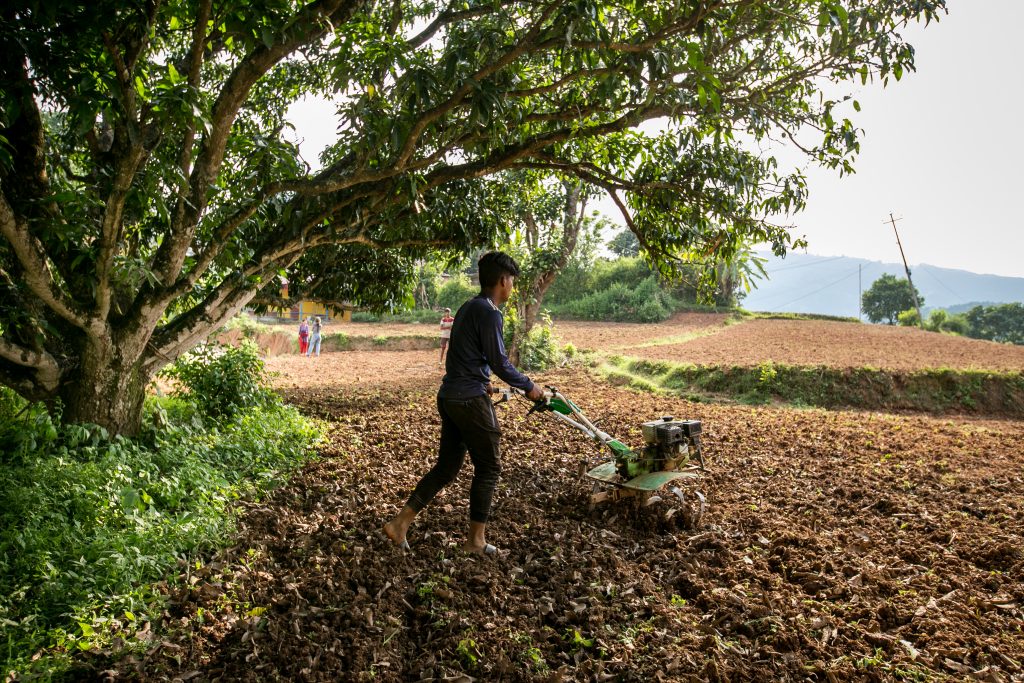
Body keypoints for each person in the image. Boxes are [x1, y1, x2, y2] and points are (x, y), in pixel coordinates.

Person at [384, 251, 544, 555]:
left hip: (451, 397)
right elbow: (500, 361)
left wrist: (483, 381)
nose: (512, 287)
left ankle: (399, 524)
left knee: (446, 467)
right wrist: (529, 386)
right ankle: (475, 541)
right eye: (512, 281)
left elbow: (466, 356)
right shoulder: (490, 312)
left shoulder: (468, 307)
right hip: (469, 401)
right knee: (489, 468)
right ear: (503, 280)